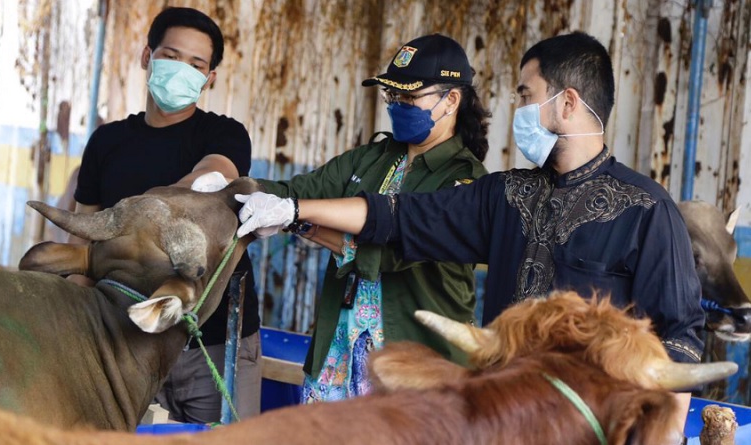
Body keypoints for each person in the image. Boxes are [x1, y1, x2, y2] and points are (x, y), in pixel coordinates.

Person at [235, 31, 703, 428]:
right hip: (501, 416)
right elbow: (397, 217)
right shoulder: (502, 194)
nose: (516, 107)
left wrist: (667, 434)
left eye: (525, 94)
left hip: (588, 424)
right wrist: (290, 205)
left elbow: (680, 337)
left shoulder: (647, 209)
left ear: (568, 103)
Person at [232, 33, 489, 403]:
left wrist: (297, 217)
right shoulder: (374, 157)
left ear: (451, 99)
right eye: (393, 96)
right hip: (341, 351)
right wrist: (234, 187)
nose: (397, 105)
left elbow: (389, 254)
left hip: (417, 369)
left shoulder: (466, 180)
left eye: (410, 97)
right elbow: (300, 189)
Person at [72, 7, 261, 422]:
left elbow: (214, 174)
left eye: (197, 64)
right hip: (121, 343)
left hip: (212, 343)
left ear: (209, 79)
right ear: (147, 57)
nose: (183, 70)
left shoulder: (223, 133)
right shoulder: (106, 142)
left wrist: (142, 211)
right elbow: (82, 240)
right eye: (172, 56)